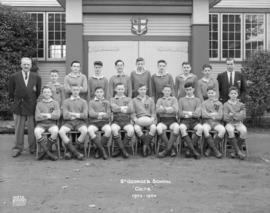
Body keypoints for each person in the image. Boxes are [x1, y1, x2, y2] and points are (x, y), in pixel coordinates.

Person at [8, 57, 42, 157]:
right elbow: (11, 92)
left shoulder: (37, 77)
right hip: (19, 105)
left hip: (31, 105)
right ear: (21, 65)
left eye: (28, 64)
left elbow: (38, 92)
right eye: (24, 64)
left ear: (31, 65)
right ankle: (18, 148)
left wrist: (31, 99)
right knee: (18, 128)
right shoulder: (14, 76)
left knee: (32, 128)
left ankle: (32, 147)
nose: (26, 66)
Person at [59, 84, 88, 160]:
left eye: (77, 90)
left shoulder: (84, 102)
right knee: (61, 131)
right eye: (74, 90)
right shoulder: (66, 101)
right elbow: (65, 116)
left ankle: (70, 151)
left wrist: (73, 114)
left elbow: (85, 115)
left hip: (80, 122)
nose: (75, 92)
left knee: (85, 131)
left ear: (79, 91)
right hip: (69, 122)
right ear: (71, 91)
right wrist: (79, 115)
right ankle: (76, 153)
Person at [34, 86, 60, 161]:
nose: (47, 93)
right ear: (42, 94)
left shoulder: (55, 103)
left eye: (48, 92)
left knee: (55, 131)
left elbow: (57, 116)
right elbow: (37, 117)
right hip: (41, 124)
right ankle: (48, 153)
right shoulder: (39, 104)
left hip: (52, 124)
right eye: (45, 92)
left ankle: (43, 154)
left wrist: (45, 115)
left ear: (51, 93)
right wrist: (50, 115)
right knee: (36, 131)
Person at [178, 82, 202, 159]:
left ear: (193, 90)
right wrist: (191, 113)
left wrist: (187, 112)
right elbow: (180, 113)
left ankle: (189, 149)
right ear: (185, 90)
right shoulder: (181, 100)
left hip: (195, 121)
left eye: (190, 89)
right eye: (187, 90)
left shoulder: (197, 100)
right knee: (181, 128)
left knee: (200, 128)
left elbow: (198, 114)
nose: (189, 91)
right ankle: (194, 151)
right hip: (184, 121)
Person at [110, 83, 134, 158]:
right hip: (116, 121)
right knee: (114, 129)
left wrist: (119, 108)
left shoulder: (128, 99)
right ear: (115, 89)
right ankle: (123, 150)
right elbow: (113, 109)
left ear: (124, 89)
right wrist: (124, 108)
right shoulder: (112, 99)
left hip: (126, 121)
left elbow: (131, 109)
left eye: (122, 89)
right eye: (119, 89)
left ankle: (119, 149)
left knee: (131, 130)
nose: (120, 91)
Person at [132, 83, 156, 157]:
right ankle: (147, 144)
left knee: (154, 128)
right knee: (136, 128)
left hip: (149, 119)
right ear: (138, 90)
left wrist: (152, 118)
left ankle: (145, 145)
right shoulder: (134, 100)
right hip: (139, 119)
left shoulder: (150, 100)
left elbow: (153, 112)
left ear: (146, 90)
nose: (143, 91)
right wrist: (135, 119)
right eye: (141, 89)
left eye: (144, 89)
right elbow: (132, 112)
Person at [223, 86, 247, 160]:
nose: (233, 95)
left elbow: (243, 116)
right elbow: (225, 117)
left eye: (235, 93)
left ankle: (234, 151)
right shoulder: (226, 104)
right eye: (231, 93)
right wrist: (237, 113)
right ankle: (239, 152)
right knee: (230, 130)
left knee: (244, 131)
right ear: (229, 95)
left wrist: (233, 114)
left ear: (237, 95)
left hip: (239, 123)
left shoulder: (241, 104)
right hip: (229, 123)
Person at [156, 85, 179, 158]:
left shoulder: (174, 99)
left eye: (168, 91)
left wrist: (163, 109)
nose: (167, 92)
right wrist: (169, 109)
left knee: (177, 128)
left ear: (171, 91)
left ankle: (166, 150)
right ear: (163, 91)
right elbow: (157, 110)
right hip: (163, 120)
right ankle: (171, 149)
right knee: (159, 128)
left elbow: (175, 110)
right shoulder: (160, 100)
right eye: (165, 91)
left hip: (172, 120)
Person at [88, 87, 111, 160]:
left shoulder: (107, 102)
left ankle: (98, 150)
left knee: (109, 130)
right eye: (97, 92)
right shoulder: (91, 102)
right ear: (95, 93)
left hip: (104, 123)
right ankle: (103, 150)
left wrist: (97, 115)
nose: (99, 93)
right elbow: (91, 114)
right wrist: (101, 114)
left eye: (101, 92)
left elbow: (108, 115)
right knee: (90, 130)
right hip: (94, 123)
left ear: (103, 93)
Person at [201, 87, 224, 158]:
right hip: (207, 122)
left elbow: (220, 116)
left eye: (212, 93)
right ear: (207, 94)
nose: (210, 94)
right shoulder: (204, 103)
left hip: (216, 123)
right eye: (209, 93)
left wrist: (209, 114)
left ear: (215, 93)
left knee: (222, 130)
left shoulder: (219, 103)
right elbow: (203, 115)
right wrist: (212, 114)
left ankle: (209, 149)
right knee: (205, 129)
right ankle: (215, 150)